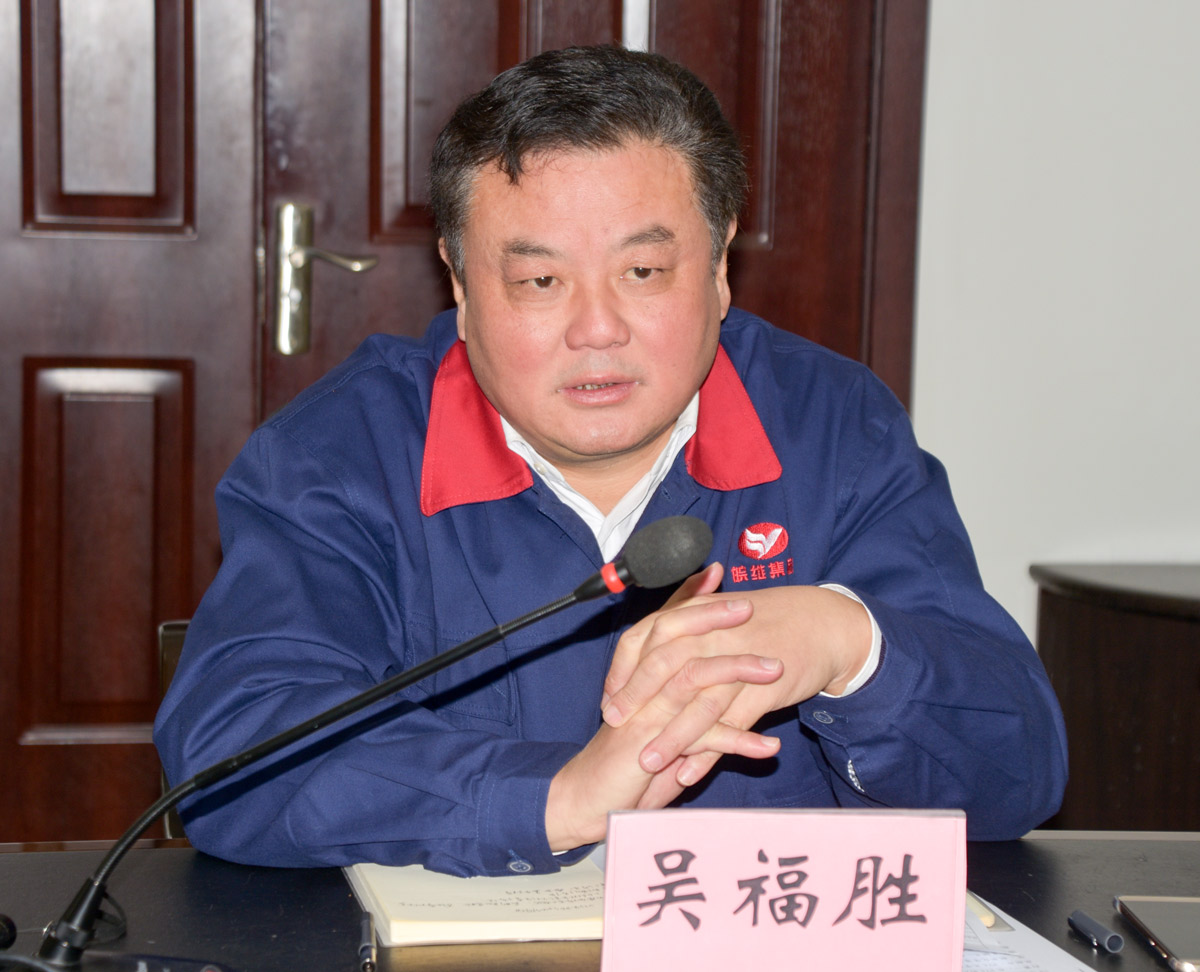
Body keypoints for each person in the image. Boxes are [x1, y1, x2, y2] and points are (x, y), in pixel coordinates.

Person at [154, 45, 1067, 875]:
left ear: (719, 268)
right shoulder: (341, 454)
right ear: (461, 285)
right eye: (539, 281)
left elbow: (1018, 774)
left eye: (643, 273)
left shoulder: (834, 428)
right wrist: (558, 798)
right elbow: (234, 759)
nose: (597, 329)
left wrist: (846, 642)